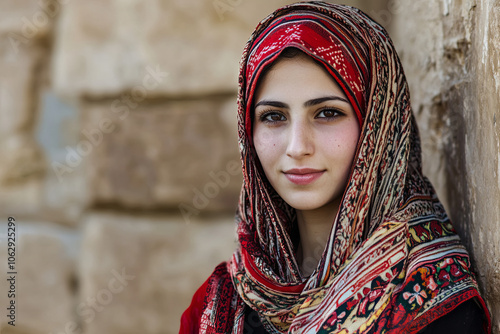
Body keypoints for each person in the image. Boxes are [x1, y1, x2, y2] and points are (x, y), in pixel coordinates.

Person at [180, 2, 491, 333]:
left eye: (328, 113)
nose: (298, 147)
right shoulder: (220, 301)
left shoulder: (437, 306)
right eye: (274, 116)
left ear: (378, 125)